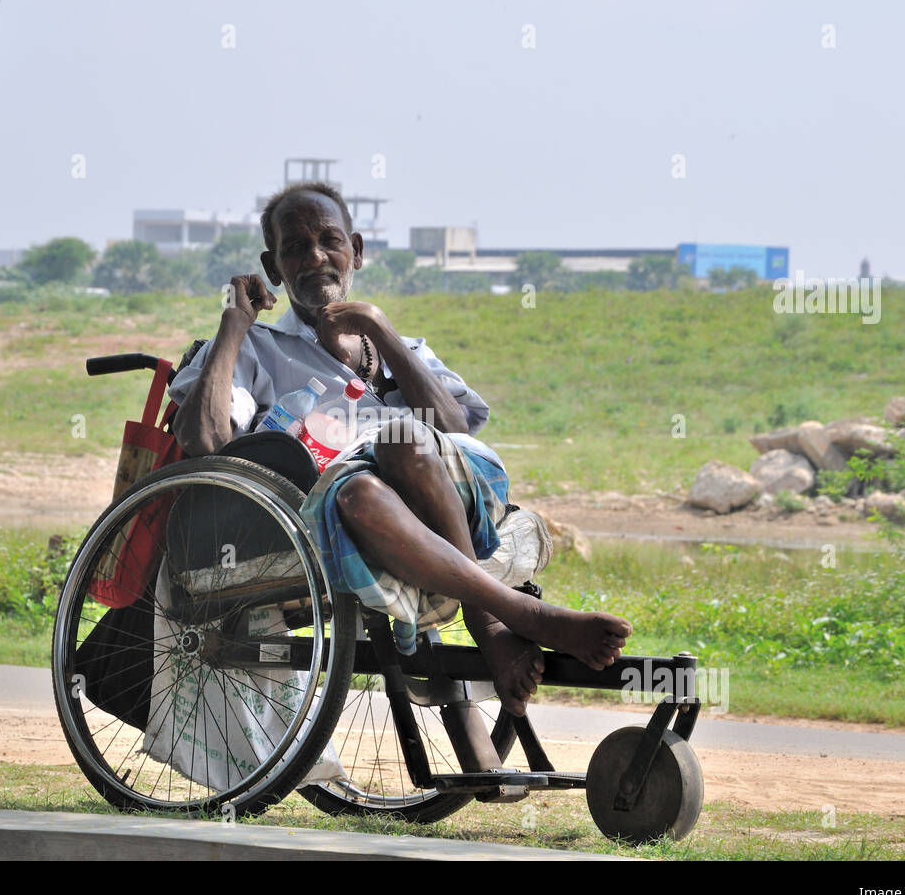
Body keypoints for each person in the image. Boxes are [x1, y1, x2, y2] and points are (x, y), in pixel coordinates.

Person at [168, 181, 632, 720]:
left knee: (402, 439)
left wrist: (379, 329)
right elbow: (204, 443)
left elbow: (456, 430)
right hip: (345, 512)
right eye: (295, 248)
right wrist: (232, 325)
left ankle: (491, 622)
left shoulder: (404, 348)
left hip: (452, 487)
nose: (316, 256)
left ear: (356, 251)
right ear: (275, 269)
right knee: (358, 488)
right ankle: (509, 616)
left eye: (329, 240)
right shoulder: (258, 348)